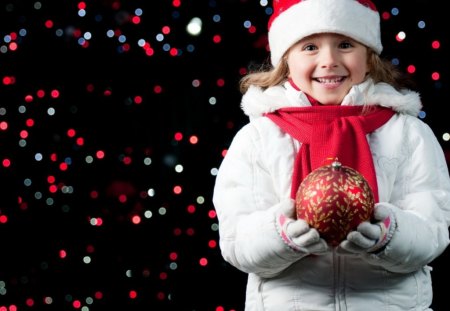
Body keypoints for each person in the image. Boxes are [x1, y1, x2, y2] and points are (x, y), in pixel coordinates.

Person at [212, 0, 450, 310]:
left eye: (345, 44)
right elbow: (237, 244)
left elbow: (432, 233)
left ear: (369, 57)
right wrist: (283, 233)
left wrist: (387, 234)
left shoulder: (408, 134)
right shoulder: (258, 139)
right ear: (286, 60)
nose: (329, 60)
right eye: (310, 47)